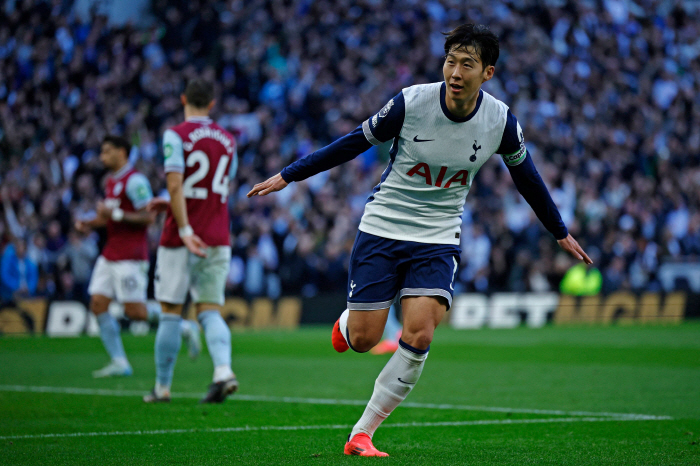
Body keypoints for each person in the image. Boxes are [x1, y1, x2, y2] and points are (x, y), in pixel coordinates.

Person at [248, 23, 592, 456]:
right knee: (366, 339)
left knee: (421, 334)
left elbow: (527, 177)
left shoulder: (500, 121)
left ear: (488, 73)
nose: (455, 71)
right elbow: (352, 143)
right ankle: (346, 325)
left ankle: (362, 433)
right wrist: (289, 174)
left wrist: (558, 230)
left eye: (468, 63)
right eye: (451, 61)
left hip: (438, 236)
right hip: (383, 227)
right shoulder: (411, 102)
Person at [144, 79, 239, 403]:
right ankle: (223, 371)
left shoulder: (176, 134)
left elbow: (177, 184)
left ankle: (162, 388)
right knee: (210, 311)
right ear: (212, 104)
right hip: (217, 234)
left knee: (171, 311)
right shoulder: (228, 140)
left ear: (183, 98)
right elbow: (218, 187)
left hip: (180, 237)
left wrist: (183, 227)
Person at [76, 135, 201, 378]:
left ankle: (184, 327)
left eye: (107, 151)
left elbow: (148, 216)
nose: (103, 157)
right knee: (98, 304)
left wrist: (117, 215)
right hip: (110, 252)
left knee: (135, 312)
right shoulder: (111, 181)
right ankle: (119, 361)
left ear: (122, 152)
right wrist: (88, 224)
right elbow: (109, 217)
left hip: (131, 256)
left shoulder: (135, 181)